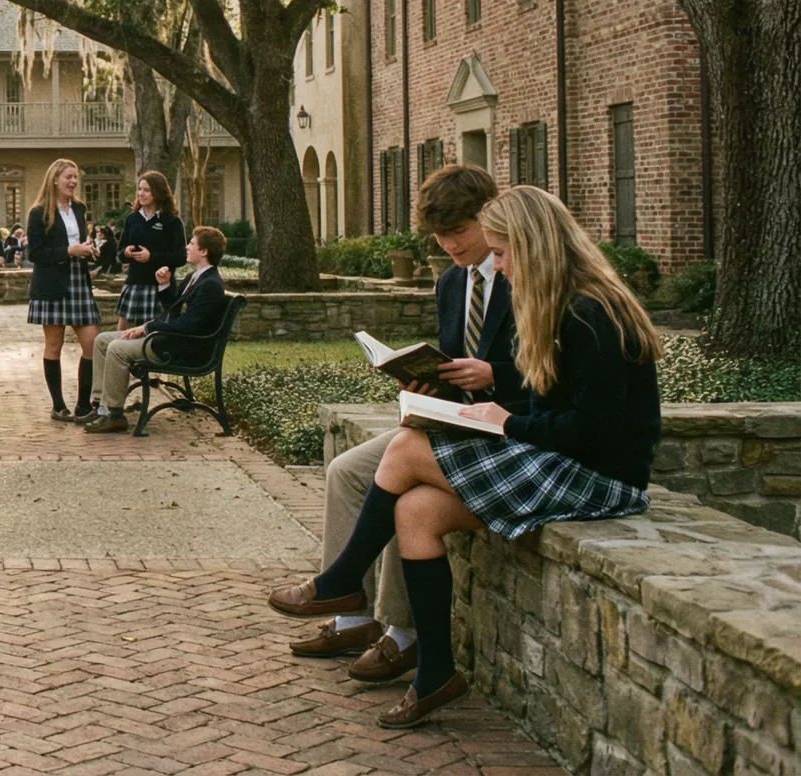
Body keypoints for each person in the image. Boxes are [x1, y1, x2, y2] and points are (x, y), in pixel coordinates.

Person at [278, 185, 660, 728]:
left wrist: (506, 423)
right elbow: (554, 410)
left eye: (501, 252)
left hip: (599, 476)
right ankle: (435, 672)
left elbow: (595, 431)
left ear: (532, 245)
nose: (496, 266)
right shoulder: (553, 304)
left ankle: (341, 581)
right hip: (560, 456)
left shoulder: (589, 312)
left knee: (407, 447)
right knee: (415, 511)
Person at [268, 164, 524, 686]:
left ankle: (402, 632)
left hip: (505, 428)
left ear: (489, 217)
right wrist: (423, 383)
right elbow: (453, 362)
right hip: (454, 419)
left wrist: (494, 375)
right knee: (345, 471)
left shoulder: (521, 278)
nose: (449, 244)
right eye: (439, 235)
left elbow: (544, 375)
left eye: (459, 231)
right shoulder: (451, 283)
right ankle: (352, 617)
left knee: (406, 483)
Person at [84, 225, 229, 433]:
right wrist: (164, 285)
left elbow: (188, 325)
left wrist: (148, 327)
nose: (187, 247)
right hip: (170, 338)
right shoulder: (195, 277)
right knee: (102, 340)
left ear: (204, 251)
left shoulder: (211, 284)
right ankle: (100, 407)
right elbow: (174, 309)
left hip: (179, 348)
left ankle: (114, 415)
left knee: (116, 348)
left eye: (192, 244)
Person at [26, 159, 101, 422]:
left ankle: (83, 405)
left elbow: (78, 242)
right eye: (68, 177)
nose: (73, 182)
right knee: (54, 345)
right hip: (52, 283)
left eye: (75, 177)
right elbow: (35, 253)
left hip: (79, 280)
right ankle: (58, 406)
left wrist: (88, 250)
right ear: (55, 179)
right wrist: (70, 251)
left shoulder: (79, 209)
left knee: (92, 343)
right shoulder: (38, 213)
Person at [116, 171, 186, 332]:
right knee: (121, 335)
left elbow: (181, 257)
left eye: (147, 190)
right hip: (133, 284)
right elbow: (119, 254)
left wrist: (151, 256)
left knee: (152, 335)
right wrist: (126, 252)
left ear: (159, 192)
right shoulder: (132, 219)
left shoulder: (172, 222)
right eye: (139, 189)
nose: (141, 194)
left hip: (159, 288)